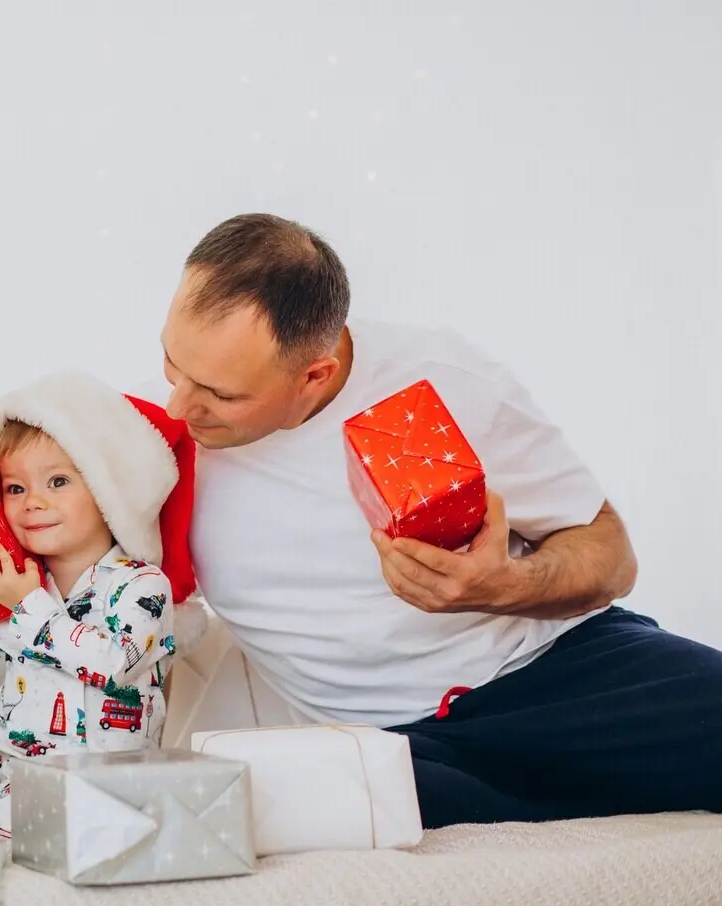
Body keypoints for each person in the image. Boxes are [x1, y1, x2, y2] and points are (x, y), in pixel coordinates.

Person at [151, 212, 722, 829]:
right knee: (273, 805)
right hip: (387, 744)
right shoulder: (147, 444)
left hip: (562, 672)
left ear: (313, 374)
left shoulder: (439, 378)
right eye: (171, 363)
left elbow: (611, 555)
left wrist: (503, 587)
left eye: (222, 393)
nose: (179, 405)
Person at [0, 370, 196, 838]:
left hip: (117, 795)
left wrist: (28, 606)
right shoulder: (14, 586)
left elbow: (112, 663)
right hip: (22, 797)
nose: (32, 502)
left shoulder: (141, 585)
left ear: (108, 494)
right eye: (15, 488)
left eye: (57, 481)